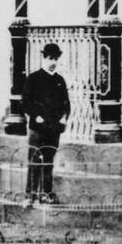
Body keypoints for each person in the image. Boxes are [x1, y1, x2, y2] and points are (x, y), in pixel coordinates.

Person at [22, 43, 71, 204]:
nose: (53, 62)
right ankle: (30, 195)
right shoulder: (34, 78)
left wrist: (64, 117)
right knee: (35, 160)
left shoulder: (59, 80)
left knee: (49, 162)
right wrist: (36, 116)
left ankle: (46, 193)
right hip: (37, 129)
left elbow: (66, 104)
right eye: (50, 58)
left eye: (56, 59)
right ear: (44, 58)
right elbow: (26, 102)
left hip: (53, 129)